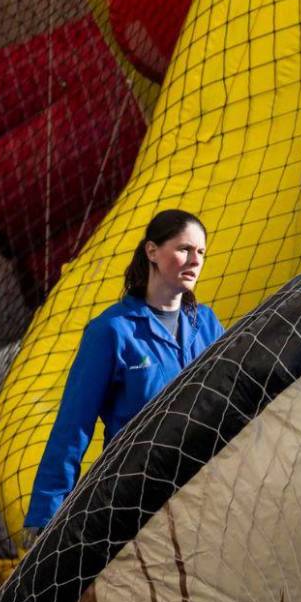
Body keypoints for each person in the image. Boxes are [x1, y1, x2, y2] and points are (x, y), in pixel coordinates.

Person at [21, 209, 224, 544]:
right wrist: (47, 514)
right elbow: (74, 424)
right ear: (152, 251)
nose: (195, 260)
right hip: (135, 498)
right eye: (184, 249)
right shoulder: (112, 331)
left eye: (201, 252)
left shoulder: (208, 324)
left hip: (204, 492)